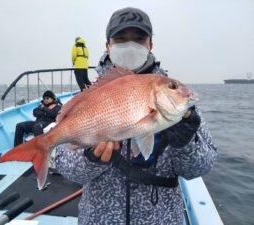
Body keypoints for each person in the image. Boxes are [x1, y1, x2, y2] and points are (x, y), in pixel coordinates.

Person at [54, 7, 217, 225]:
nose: (130, 46)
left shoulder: (174, 96)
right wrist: (91, 159)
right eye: (121, 39)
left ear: (150, 44)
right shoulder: (89, 97)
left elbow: (200, 168)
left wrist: (186, 142)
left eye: (139, 39)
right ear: (108, 45)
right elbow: (68, 170)